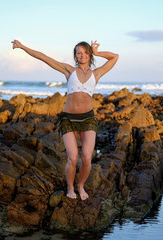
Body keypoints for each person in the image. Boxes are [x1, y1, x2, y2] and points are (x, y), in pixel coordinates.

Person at [11, 39, 118, 200]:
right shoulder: (69, 71)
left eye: (85, 53)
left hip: (88, 119)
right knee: (73, 157)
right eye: (79, 53)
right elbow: (44, 57)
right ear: (76, 56)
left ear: (89, 55)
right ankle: (70, 188)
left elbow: (115, 57)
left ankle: (80, 186)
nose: (82, 55)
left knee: (87, 158)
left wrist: (98, 52)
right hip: (68, 119)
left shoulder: (96, 74)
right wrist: (22, 47)